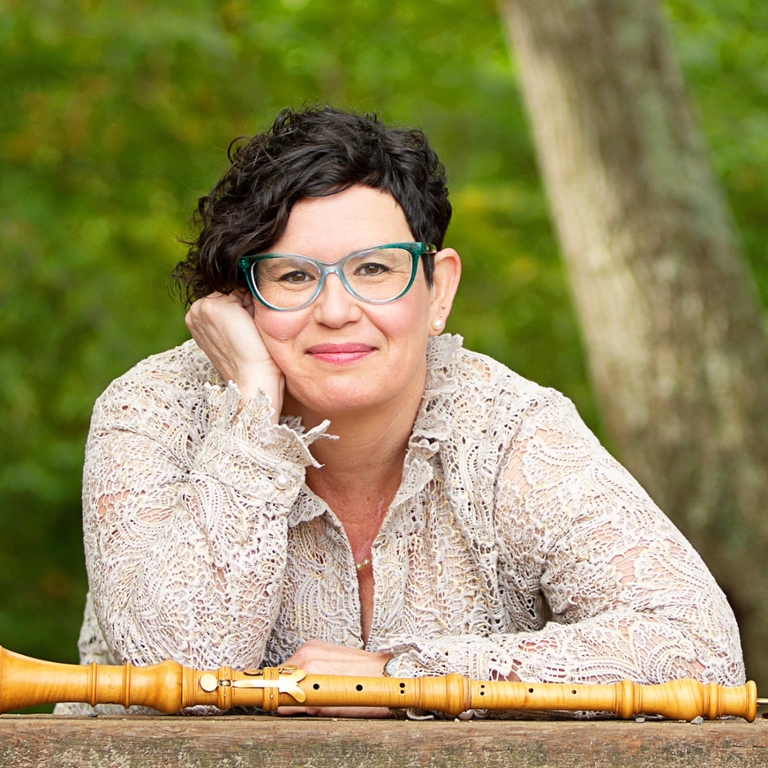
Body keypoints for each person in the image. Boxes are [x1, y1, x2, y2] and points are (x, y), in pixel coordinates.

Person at [57, 106, 744, 717]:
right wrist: (253, 409)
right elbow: (181, 674)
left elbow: (700, 653)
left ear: (436, 289)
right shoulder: (151, 412)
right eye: (293, 276)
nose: (335, 310)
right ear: (236, 302)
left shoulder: (508, 430)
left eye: (375, 269)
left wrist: (399, 677)